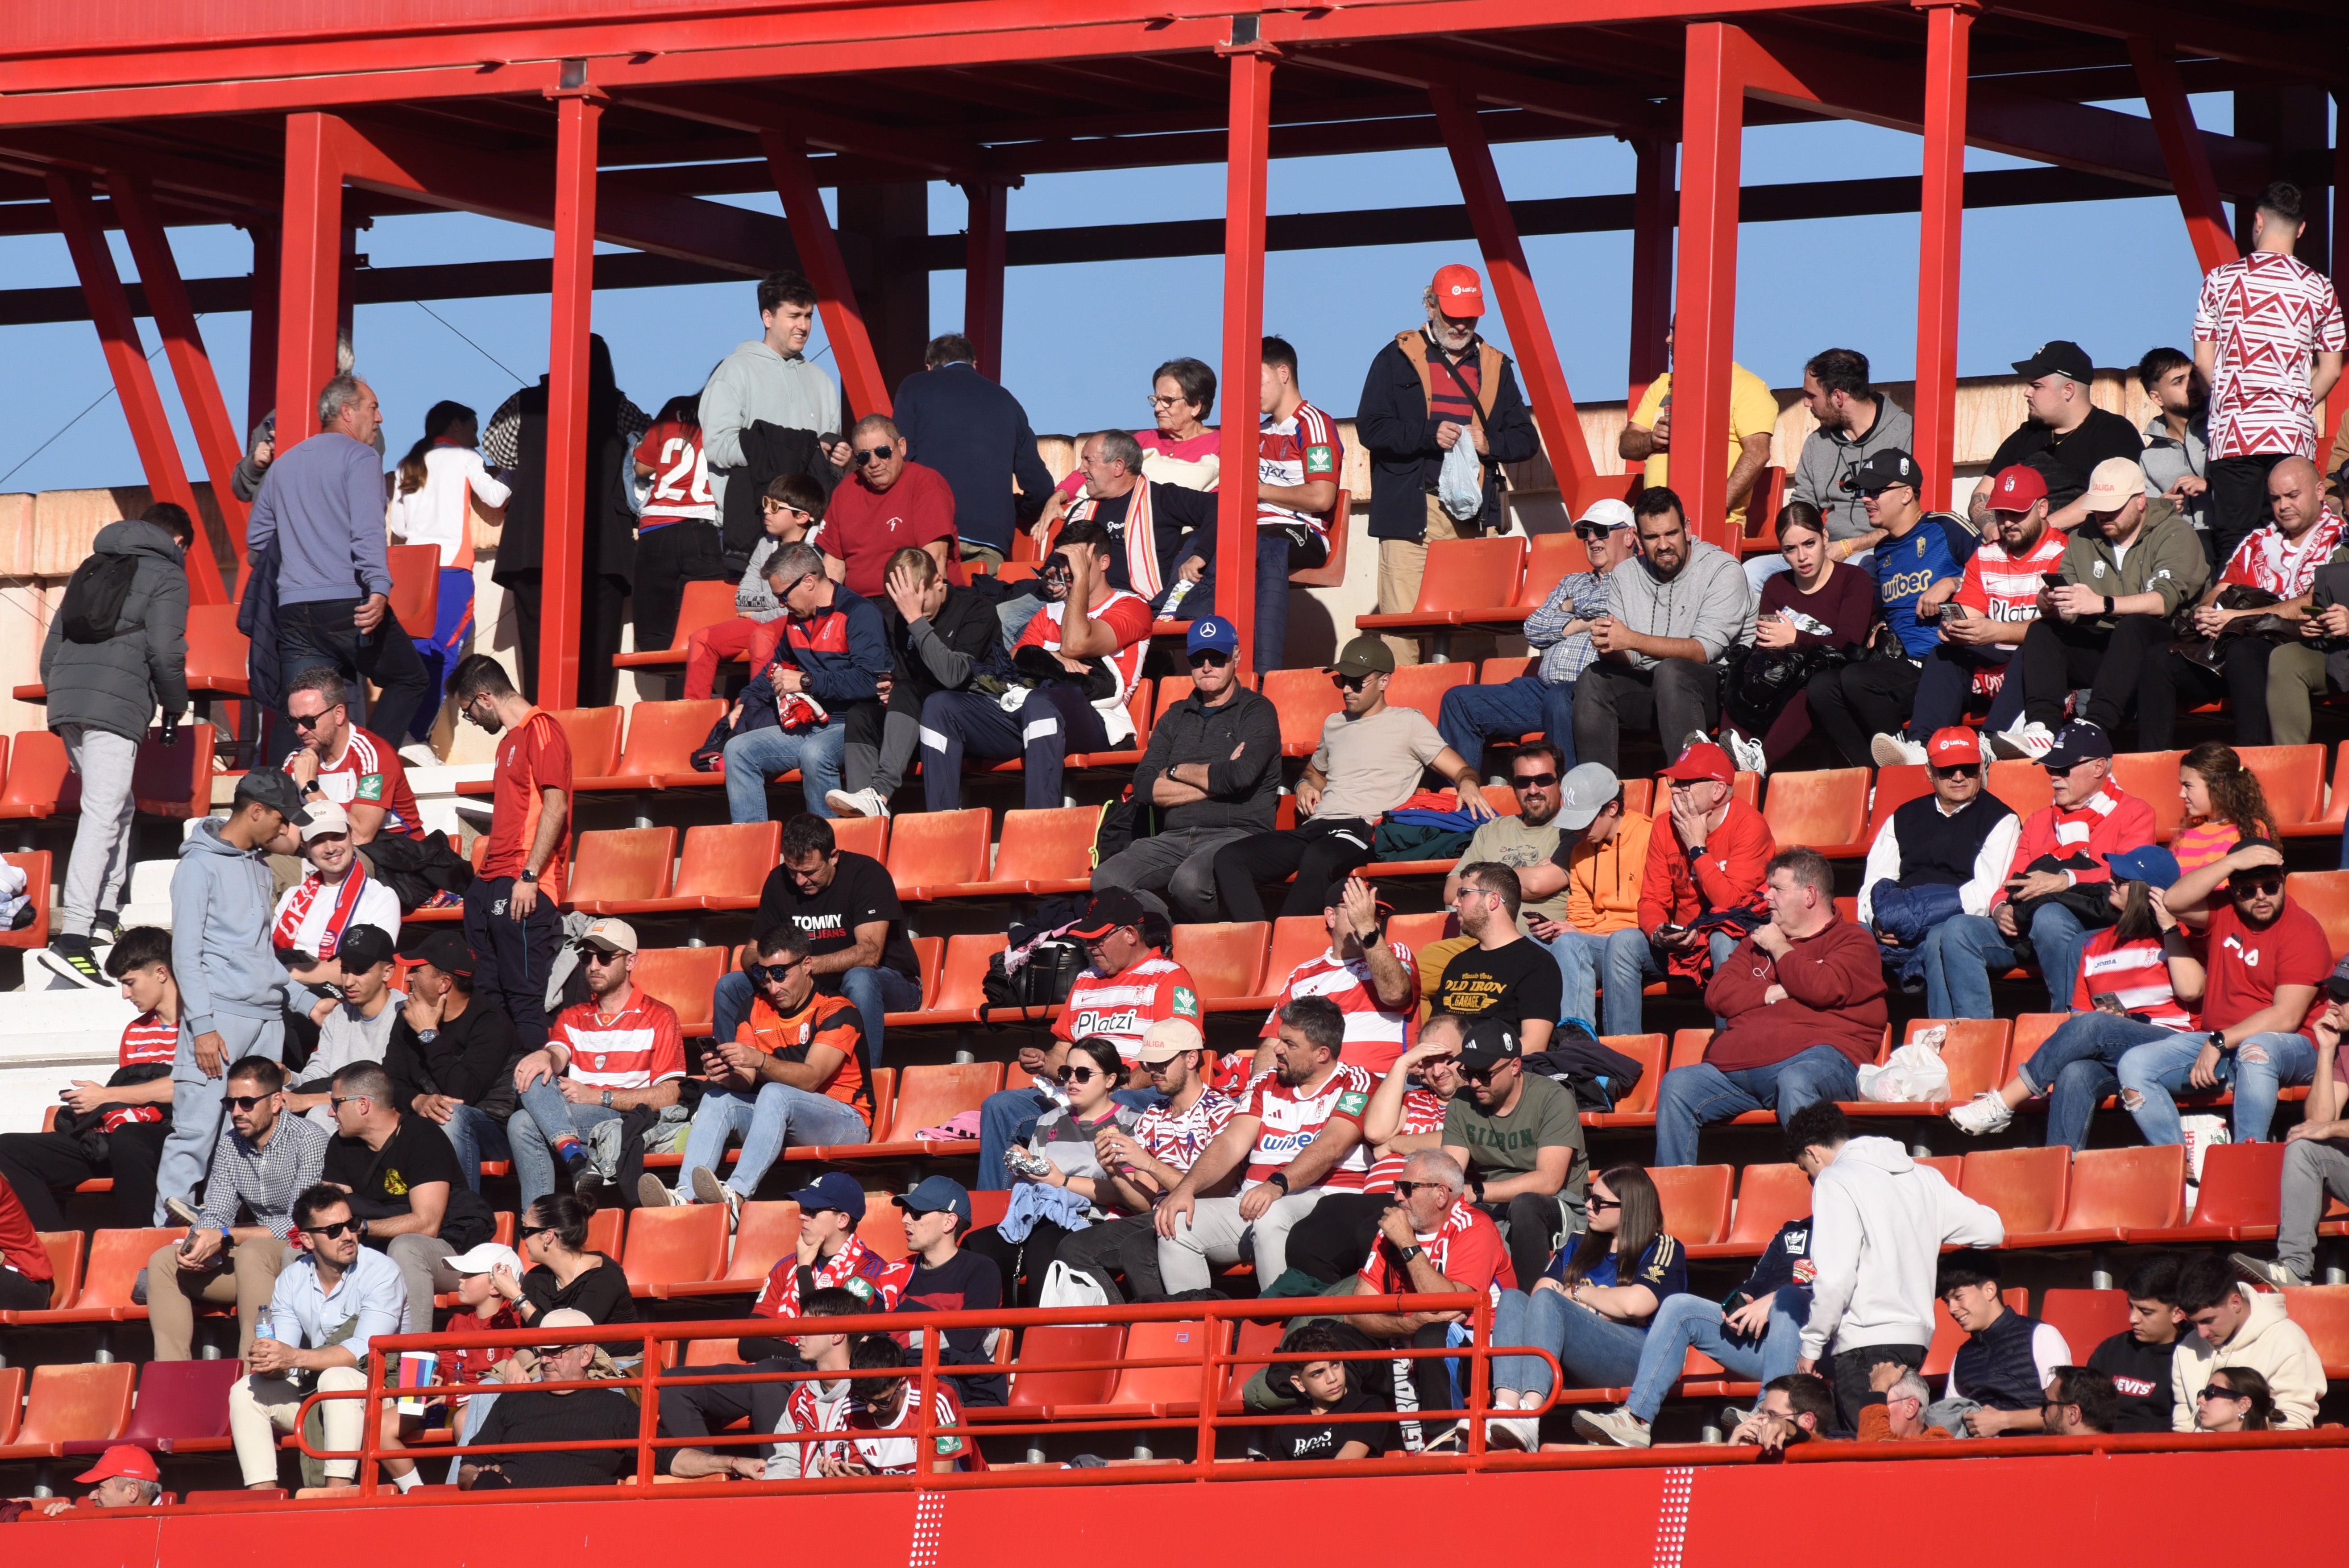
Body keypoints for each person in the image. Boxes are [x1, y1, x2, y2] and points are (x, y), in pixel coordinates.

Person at [1212, 635, 1493, 923]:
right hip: (1316, 827)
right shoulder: (1334, 723)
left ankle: (1285, 942)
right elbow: (1314, 772)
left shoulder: (1409, 722)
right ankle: (1257, 938)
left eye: (1356, 682)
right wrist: (1304, 784)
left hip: (1362, 828)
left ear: (1384, 682)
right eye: (1341, 680)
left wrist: (1469, 783)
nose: (1346, 689)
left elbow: (1461, 769)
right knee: (1228, 858)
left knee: (1320, 858)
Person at [1947, 847, 2199, 1147]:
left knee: (2095, 1027)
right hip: (2119, 1051)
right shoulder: (2094, 945)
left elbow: (2192, 990)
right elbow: (2079, 1017)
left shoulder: (2183, 935)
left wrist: (2169, 926)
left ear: (2148, 892)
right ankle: (2062, 1169)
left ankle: (2004, 1103)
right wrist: (2108, 1020)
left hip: (2179, 1048)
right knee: (2074, 1071)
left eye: (2121, 880)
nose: (2110, 882)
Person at [1356, 264, 1541, 664]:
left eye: (1469, 317)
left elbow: (1527, 440)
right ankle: (1402, 720)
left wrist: (1488, 443)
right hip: (1411, 511)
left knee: (1472, 632)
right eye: (1452, 316)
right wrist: (1428, 435)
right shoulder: (1395, 358)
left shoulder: (1496, 365)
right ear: (1430, 306)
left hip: (1473, 515)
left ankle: (1465, 719)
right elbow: (1370, 429)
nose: (1461, 326)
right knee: (1399, 631)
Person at [39, 499, 192, 980]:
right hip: (116, 702)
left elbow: (52, 646)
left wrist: (64, 695)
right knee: (103, 812)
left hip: (68, 700)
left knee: (118, 805)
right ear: (179, 541)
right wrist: (174, 704)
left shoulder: (93, 564)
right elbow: (167, 650)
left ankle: (104, 916)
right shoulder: (168, 574)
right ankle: (75, 934)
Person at [1654, 848, 1884, 1166]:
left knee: (1796, 1080)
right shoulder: (1755, 941)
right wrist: (1776, 992)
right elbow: (1718, 996)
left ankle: (1822, 1198)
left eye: (1777, 888)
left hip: (1820, 1062)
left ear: (1810, 895)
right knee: (1678, 1085)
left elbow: (1821, 987)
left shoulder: (1853, 941)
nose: (1767, 896)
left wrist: (1780, 947)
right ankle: (1670, 1204)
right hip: (1737, 1069)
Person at [1915, 721, 2155, 1019]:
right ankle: (1974, 1036)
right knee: (1956, 929)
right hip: (2028, 925)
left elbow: (2131, 878)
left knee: (2050, 917)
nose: (2054, 777)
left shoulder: (2135, 813)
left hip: (2096, 923)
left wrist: (2065, 880)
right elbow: (2010, 881)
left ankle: (2066, 1025)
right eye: (2049, 769)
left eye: (2063, 769)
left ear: (2099, 768)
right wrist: (2001, 907)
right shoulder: (2040, 820)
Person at [1789, 1100, 2005, 1428]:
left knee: (1869, 1463)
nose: (1810, 1178)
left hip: (1864, 1344)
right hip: (1915, 1345)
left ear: (1813, 1153)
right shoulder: (1926, 1178)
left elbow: (1835, 1279)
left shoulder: (1835, 1180)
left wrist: (1812, 1345)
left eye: (1806, 1169)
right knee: (1899, 1457)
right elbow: (1992, 1229)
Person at [247, 373, 433, 742]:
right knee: (411, 678)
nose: (379, 419)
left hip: (294, 611)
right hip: (349, 605)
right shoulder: (360, 457)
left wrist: (301, 558)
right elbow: (367, 532)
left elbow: (257, 541)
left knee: (302, 709)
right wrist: (379, 588)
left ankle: (284, 794)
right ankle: (372, 771)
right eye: (373, 408)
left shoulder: (284, 465)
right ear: (347, 412)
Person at [923, 519, 1154, 812]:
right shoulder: (1049, 613)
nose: (1067, 570)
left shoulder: (1132, 606)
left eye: (1076, 560)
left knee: (1042, 701)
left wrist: (1079, 585)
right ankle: (942, 823)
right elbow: (1019, 659)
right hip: (1028, 711)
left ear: (1104, 562)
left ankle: (1038, 822)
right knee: (940, 706)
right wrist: (1052, 659)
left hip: (1099, 720)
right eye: (1063, 560)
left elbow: (1075, 645)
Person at [973, 889, 1199, 1187]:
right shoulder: (1085, 980)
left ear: (1130, 934)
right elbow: (1060, 1055)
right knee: (1000, 1106)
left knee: (1118, 1100)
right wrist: (1044, 1063)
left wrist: (1106, 1090)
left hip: (1139, 1092)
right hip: (1084, 1091)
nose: (1091, 947)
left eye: (1099, 938)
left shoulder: (1169, 976)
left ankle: (1102, 1199)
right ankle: (996, 1213)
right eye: (1086, 940)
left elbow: (1176, 1059)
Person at [641, 926, 871, 1218]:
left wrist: (760, 1060)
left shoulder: (837, 1010)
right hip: (783, 1118)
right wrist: (724, 1075)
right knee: (716, 1099)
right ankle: (685, 1197)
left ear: (807, 965)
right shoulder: (755, 1007)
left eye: (780, 973)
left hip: (847, 1121)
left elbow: (812, 1078)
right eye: (765, 974)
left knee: (775, 1093)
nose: (772, 986)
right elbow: (745, 1080)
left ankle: (735, 1197)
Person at [155, 769, 303, 1224]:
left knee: (258, 1130)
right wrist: (202, 1026)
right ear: (255, 810)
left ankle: (253, 1227)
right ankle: (162, 1234)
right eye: (280, 819)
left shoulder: (259, 866)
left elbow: (261, 954)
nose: (285, 830)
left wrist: (300, 998)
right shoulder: (198, 867)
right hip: (218, 1018)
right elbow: (186, 953)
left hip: (265, 1019)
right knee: (197, 1129)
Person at [2113, 840, 2326, 1148]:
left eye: (2270, 886)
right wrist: (2230, 863)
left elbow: (2286, 1016)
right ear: (2233, 889)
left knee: (2256, 1050)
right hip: (2220, 1040)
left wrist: (2220, 1041)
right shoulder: (2226, 910)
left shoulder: (2303, 930)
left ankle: (2246, 1157)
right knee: (2134, 1065)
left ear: (2283, 881)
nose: (2261, 897)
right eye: (2247, 890)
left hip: (2292, 1048)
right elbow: (2172, 901)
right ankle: (2177, 1162)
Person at [1156, 996, 1372, 1293]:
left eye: (1290, 1044)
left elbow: (1330, 1147)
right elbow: (1231, 1142)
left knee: (1270, 1213)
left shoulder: (1357, 1083)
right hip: (1256, 1202)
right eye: (1280, 1039)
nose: (1277, 1050)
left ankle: (1281, 1327)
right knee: (1175, 1221)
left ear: (1322, 1054)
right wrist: (1186, 1189)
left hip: (1323, 1202)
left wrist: (1277, 1185)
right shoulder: (1264, 1083)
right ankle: (1193, 1332)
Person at [482, 336, 647, 703]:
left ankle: (543, 738)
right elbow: (647, 450)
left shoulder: (523, 403)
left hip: (532, 545)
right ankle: (592, 739)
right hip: (604, 549)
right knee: (598, 652)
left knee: (539, 650)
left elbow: (498, 450)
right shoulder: (620, 407)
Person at [1090, 614, 1282, 921]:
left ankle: (1214, 939)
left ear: (1236, 657)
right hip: (1174, 837)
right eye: (1198, 658)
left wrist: (1176, 771)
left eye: (1217, 658)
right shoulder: (1174, 717)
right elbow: (1144, 788)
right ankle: (1167, 932)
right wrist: (1217, 779)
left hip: (1236, 834)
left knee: (1189, 883)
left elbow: (1240, 775)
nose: (1207, 666)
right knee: (1106, 880)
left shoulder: (1257, 711)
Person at [2194, 181, 2346, 564]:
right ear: (2302, 229)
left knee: (2236, 539)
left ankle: (2232, 618)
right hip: (2291, 429)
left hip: (2234, 431)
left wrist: (2230, 399)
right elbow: (2331, 368)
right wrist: (2294, 402)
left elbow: (2202, 362)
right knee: (2291, 533)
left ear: (2258, 222)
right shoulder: (2320, 289)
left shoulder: (2219, 281)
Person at [2137, 455, 2336, 751]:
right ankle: (2151, 766)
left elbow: (2313, 602)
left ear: (2319, 492)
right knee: (2159, 659)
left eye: (2293, 495)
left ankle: (2251, 756)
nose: (2283, 506)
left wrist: (2238, 618)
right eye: (2276, 498)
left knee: (2246, 652)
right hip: (2233, 645)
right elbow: (2220, 590)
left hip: (2296, 647)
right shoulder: (2258, 540)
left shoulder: (2338, 538)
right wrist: (2211, 613)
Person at [1574, 1204, 1812, 1448]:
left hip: (1813, 1351)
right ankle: (1636, 1419)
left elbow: (1841, 1290)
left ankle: (1764, 1415)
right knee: (1679, 1306)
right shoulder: (1792, 1231)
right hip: (1766, 1347)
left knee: (1790, 1299)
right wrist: (1742, 1303)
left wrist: (1775, 1300)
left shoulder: (1847, 1231)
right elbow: (1755, 1282)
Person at [1166, 337, 1341, 666]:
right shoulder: (1257, 432)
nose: (1251, 391)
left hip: (1298, 530)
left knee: (1256, 547)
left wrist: (1256, 490)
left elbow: (1321, 497)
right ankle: (1176, 630)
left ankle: (1261, 664)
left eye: (1257, 380)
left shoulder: (1314, 425)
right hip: (1254, 528)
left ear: (1283, 374)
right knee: (1188, 543)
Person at [1871, 465, 2063, 764]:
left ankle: (1987, 743)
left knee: (2037, 645)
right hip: (1993, 661)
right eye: (2000, 514)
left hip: (2039, 665)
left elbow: (2060, 629)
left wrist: (1995, 630)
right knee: (1946, 652)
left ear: (2042, 508)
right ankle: (1921, 747)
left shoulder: (2063, 552)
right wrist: (1956, 631)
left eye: (2017, 513)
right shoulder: (1986, 554)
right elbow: (1970, 615)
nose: (2008, 522)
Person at [144, 1055, 326, 1360]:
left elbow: (300, 1225)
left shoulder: (309, 1139)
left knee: (253, 1253)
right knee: (164, 1261)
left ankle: (251, 1377)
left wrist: (227, 1236)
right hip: (254, 1261)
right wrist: (199, 1245)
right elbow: (216, 1211)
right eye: (230, 1104)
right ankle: (173, 1381)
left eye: (247, 1102)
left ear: (277, 1101)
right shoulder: (231, 1144)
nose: (237, 1112)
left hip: (302, 1258)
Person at [1439, 500, 1636, 777]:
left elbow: (1615, 605)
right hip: (1544, 689)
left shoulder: (1641, 578)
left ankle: (1569, 802)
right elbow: (1534, 627)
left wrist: (1568, 605)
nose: (1592, 538)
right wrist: (1580, 623)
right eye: (1585, 532)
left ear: (1629, 536)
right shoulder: (1572, 581)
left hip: (1599, 689)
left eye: (1601, 530)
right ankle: (1459, 803)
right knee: (1458, 700)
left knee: (1559, 698)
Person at [228, 1184, 406, 1491]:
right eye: (334, 1230)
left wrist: (294, 1357)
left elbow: (364, 1350)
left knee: (336, 1378)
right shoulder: (293, 1278)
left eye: (351, 1224)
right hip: (322, 1384)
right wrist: (272, 1362)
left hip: (384, 1388)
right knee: (245, 1390)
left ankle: (336, 1496)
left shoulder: (382, 1271)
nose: (348, 1235)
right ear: (307, 1240)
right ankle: (262, 1503)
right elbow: (286, 1349)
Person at [1488, 1165, 1681, 1445]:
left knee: (1549, 1303)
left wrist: (1579, 1293)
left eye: (1600, 1202)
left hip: (1637, 1359)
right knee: (1513, 1298)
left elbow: (1636, 1304)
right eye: (1590, 1194)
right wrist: (1599, 1308)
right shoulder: (1578, 1242)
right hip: (1579, 1354)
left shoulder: (1661, 1247)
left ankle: (1531, 1414)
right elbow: (1541, 1292)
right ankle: (1504, 1410)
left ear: (1628, 1208)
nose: (1589, 1205)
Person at [1802, 448, 1970, 768]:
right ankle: (1871, 776)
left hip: (1942, 663)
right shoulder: (1882, 550)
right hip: (1897, 663)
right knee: (1821, 687)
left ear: (1907, 493)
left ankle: (1903, 769)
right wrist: (1879, 625)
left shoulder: (1945, 527)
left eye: (1877, 491)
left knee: (1858, 679)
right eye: (1864, 492)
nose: (1866, 499)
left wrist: (1954, 583)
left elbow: (1995, 571)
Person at [0, 926, 176, 1229]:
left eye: (130, 983)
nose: (125, 995)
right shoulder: (135, 1031)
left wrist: (107, 1096)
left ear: (161, 973)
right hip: (121, 1138)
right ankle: (58, 1251)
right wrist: (95, 1108)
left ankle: (138, 1247)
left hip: (171, 1138)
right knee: (8, 1150)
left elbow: (191, 1087)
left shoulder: (201, 1026)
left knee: (130, 1139)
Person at [1050, 1019, 1236, 1305]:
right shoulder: (1153, 1114)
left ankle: (1160, 1329)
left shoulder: (1222, 1111)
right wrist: (1113, 1171)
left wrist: (1149, 1164)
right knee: (1073, 1248)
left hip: (1204, 1216)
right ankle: (1124, 1329)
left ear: (1191, 1059)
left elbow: (1217, 1192)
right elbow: (1144, 1203)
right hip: (1157, 1216)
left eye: (1160, 1064)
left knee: (1138, 1247)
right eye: (1148, 1065)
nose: (1152, 1073)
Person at [1573, 489, 1755, 773]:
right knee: (1593, 678)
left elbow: (1704, 651)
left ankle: (1692, 786)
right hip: (1657, 688)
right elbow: (1631, 658)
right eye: (1652, 537)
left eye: (1671, 533)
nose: (1664, 545)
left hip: (1719, 689)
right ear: (1637, 538)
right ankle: (1598, 798)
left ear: (1688, 529)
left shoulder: (1723, 569)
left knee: (1672, 672)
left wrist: (1631, 639)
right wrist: (1610, 647)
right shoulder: (1625, 575)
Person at [506, 918, 686, 1207]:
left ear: (631, 962)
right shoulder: (573, 1015)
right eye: (587, 957)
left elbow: (670, 1095)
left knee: (522, 1123)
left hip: (623, 1120)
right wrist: (544, 1056)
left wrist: (599, 1097)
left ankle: (538, 1224)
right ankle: (576, 1160)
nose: (593, 965)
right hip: (572, 1117)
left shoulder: (660, 1016)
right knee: (533, 1071)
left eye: (604, 957)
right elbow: (556, 1056)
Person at [1345, 1147, 1515, 1450]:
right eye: (1397, 1188)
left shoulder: (1475, 1227)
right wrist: (1409, 1326)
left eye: (1407, 1188)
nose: (1397, 1197)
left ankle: (1444, 1443)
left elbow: (1449, 1306)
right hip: (1405, 1341)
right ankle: (1338, 1450)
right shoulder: (1390, 1234)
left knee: (1434, 1335)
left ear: (1440, 1195)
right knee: (1335, 1338)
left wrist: (1408, 1245)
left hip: (1474, 1355)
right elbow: (1356, 1311)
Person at [718, 813, 921, 1062]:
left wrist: (799, 970)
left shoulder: (867, 875)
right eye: (793, 871)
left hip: (889, 983)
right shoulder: (779, 881)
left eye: (810, 871)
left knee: (860, 979)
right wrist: (771, 973)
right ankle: (732, 1081)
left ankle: (862, 1085)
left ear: (833, 857)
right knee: (730, 986)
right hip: (812, 986)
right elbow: (752, 952)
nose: (801, 881)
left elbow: (869, 953)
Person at [1609, 740, 1775, 1037]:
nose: (1674, 790)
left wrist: (1697, 848)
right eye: (1674, 782)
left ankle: (1732, 1047)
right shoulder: (1664, 827)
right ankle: (1621, 1055)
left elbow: (1732, 904)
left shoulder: (1750, 825)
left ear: (1717, 791)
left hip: (1736, 942)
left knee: (1723, 939)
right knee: (1623, 943)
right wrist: (1659, 931)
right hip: (1685, 943)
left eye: (1686, 783)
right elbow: (1651, 900)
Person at [825, 544, 1000, 821]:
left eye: (919, 603)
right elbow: (910, 683)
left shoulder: (977, 609)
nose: (909, 613)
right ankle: (864, 818)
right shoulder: (905, 619)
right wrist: (891, 690)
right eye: (902, 607)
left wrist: (916, 620)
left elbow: (954, 676)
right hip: (925, 722)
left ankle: (880, 793)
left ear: (938, 582)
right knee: (861, 716)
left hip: (974, 722)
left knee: (914, 694)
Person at [962, 1036, 1140, 1307]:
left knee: (1044, 1245)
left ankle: (1042, 1340)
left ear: (1110, 1079)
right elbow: (1041, 1177)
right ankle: (977, 1342)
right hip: (1045, 1214)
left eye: (1083, 1074)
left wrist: (1062, 1181)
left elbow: (1127, 1193)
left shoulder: (1130, 1123)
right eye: (1066, 1073)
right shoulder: (1049, 1120)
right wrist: (1025, 1164)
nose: (1071, 1081)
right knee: (975, 1247)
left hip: (1098, 1221)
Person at [721, 541, 890, 824]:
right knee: (737, 750)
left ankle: (826, 852)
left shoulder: (859, 614)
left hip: (855, 725)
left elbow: (869, 682)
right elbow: (773, 671)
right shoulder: (795, 620)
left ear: (809, 581)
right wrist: (745, 703)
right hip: (813, 724)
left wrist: (808, 681)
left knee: (815, 754)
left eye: (783, 596)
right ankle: (751, 851)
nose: (780, 604)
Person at [452, 654, 571, 1051]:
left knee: (523, 999)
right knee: (486, 997)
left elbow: (556, 806)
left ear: (484, 698)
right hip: (491, 881)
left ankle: (532, 1098)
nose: (470, 720)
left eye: (467, 711)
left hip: (522, 880)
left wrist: (530, 876)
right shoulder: (509, 742)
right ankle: (500, 1093)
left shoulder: (542, 729)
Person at [322, 1058, 494, 1331]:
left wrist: (362, 1227)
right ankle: (304, 1363)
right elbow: (329, 1212)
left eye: (336, 1104)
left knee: (405, 1247)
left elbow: (428, 1224)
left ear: (363, 1104)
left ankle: (412, 1361)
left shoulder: (422, 1137)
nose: (331, 1114)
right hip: (375, 1249)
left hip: (446, 1251)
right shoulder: (340, 1145)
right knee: (298, 1253)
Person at [1856, 728, 2020, 987]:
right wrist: (1877, 920)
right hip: (1895, 922)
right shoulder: (1903, 816)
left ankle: (1952, 1027)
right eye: (1947, 769)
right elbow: (1875, 881)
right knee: (1853, 940)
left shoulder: (2001, 819)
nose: (1958, 777)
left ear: (1980, 768)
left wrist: (1915, 918)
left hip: (1951, 923)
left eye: (1968, 768)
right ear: (1929, 772)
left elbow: (1984, 896)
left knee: (1941, 939)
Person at [1721, 509, 1877, 774]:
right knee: (1742, 674)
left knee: (1812, 684)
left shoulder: (1853, 579)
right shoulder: (1776, 585)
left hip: (1833, 673)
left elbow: (1850, 643)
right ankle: (1723, 763)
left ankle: (1761, 761)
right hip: (1786, 671)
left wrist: (1797, 637)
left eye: (1809, 544)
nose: (1802, 557)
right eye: (1790, 549)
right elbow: (1766, 645)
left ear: (1825, 537)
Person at [1439, 1016, 1584, 1295]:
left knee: (1526, 1206)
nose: (1475, 1083)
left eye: (1484, 1074)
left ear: (1515, 1065)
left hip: (1557, 1205)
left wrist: (1476, 1192)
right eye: (1469, 1073)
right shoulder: (1461, 1103)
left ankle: (1534, 1304)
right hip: (1492, 1205)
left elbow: (1549, 1182)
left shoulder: (1552, 1099)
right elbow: (1450, 1173)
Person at [386, 400, 504, 731]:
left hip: (413, 574)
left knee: (413, 657)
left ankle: (396, 733)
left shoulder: (407, 463)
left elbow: (399, 527)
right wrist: (512, 471)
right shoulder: (466, 458)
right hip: (451, 569)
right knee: (442, 656)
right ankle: (416, 734)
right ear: (455, 425)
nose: (477, 440)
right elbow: (495, 497)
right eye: (473, 429)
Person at [889, 333, 1054, 568]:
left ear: (930, 367)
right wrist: (1014, 508)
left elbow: (900, 458)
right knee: (982, 604)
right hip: (990, 536)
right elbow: (1041, 488)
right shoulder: (1008, 402)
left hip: (930, 527)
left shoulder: (915, 385)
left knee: (922, 602)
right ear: (975, 365)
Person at [698, 271, 850, 526]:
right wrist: (792, 450)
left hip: (810, 528)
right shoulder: (735, 371)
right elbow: (717, 445)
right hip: (751, 524)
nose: (803, 326)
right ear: (768, 317)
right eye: (794, 316)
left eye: (808, 316)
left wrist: (839, 458)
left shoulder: (823, 382)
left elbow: (821, 457)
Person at [1511, 761, 1648, 1035]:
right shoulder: (1581, 850)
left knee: (1574, 944)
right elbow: (1580, 914)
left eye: (1584, 821)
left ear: (1612, 808)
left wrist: (1578, 936)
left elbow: (1659, 911)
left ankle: (1576, 1042)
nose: (1578, 830)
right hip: (1593, 944)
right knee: (1520, 946)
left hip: (1637, 941)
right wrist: (1567, 929)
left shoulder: (1650, 836)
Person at [2235, 959, 2349, 1291]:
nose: (2331, 1003)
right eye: (2331, 992)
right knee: (2304, 1147)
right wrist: (2326, 1052)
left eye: (2343, 997)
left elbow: (2327, 1128)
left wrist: (2331, 1130)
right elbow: (2318, 1122)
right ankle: (2294, 1269)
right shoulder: (2343, 1045)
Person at [383, 930, 525, 1194]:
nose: (409, 978)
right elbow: (390, 1079)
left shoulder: (491, 1022)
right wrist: (417, 1101)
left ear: (444, 983)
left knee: (453, 1117)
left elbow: (463, 1093)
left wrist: (428, 1035)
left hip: (491, 1129)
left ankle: (465, 1216)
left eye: (417, 970)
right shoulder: (408, 1017)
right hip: (430, 1124)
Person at [1035, 430, 1220, 626]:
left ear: (1118, 467)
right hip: (1071, 600)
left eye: (1089, 461)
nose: (1081, 470)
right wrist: (1051, 582)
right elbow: (1053, 563)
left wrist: (1200, 555)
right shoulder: (1081, 510)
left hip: (1128, 602)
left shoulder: (1161, 498)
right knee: (1007, 614)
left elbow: (1220, 506)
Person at [1768, 347, 1914, 593]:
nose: (1805, 403)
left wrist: (1848, 547)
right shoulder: (1817, 443)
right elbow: (1803, 507)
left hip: (1885, 550)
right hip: (1825, 551)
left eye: (1811, 395)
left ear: (1838, 397)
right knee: (1753, 572)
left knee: (1856, 571)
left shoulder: (1906, 433)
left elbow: (1911, 518)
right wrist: (1804, 547)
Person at [1967, 340, 2146, 536]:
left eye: (2037, 386)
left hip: (2081, 555)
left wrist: (2037, 533)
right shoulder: (2027, 434)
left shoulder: (2114, 432)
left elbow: (2108, 494)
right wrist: (1993, 529)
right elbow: (1983, 493)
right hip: (2019, 554)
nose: (2027, 393)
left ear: (2068, 390)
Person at [1619, 319, 1778, 537]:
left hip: (1708, 525)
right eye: (1670, 330)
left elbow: (1758, 452)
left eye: (1677, 331)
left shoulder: (1747, 387)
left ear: (1704, 336)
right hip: (1649, 524)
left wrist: (1713, 511)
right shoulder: (1662, 385)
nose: (1668, 339)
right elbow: (1626, 445)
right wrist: (1651, 440)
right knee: (1598, 536)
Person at [459, 1308, 640, 1489]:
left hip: (577, 1513)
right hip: (508, 1511)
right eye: (543, 1350)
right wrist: (480, 1478)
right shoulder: (513, 1401)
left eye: (557, 1351)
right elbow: (469, 1465)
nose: (545, 1360)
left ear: (586, 1354)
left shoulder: (617, 1408)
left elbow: (664, 1453)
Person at [683, 472, 825, 702]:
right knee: (702, 638)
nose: (766, 510)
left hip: (801, 625)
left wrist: (756, 614)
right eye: (765, 503)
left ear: (802, 517)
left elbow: (803, 606)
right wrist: (776, 601)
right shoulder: (764, 544)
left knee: (762, 636)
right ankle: (695, 712)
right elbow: (742, 598)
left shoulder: (817, 548)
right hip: (768, 620)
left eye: (775, 506)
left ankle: (758, 707)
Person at [1258, 877, 1418, 1076]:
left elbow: (1395, 994)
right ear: (1331, 917)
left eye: (1376, 913)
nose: (1368, 918)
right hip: (1318, 1090)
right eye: (1356, 909)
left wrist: (1367, 929)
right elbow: (1273, 1044)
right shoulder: (1302, 975)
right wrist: (1257, 1092)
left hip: (1382, 1085)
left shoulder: (1396, 954)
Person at [2169, 1253, 2325, 1431]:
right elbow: (2184, 1426)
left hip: (2262, 1455)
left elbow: (2291, 1427)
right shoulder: (2187, 1346)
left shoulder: (2287, 1340)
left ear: (2235, 1303)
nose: (2201, 1333)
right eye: (2194, 1323)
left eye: (2208, 1321)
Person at [1927, 1249, 2072, 1435]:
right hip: (1978, 1460)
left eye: (1958, 1297)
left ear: (1989, 1290)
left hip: (2036, 1458)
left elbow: (2066, 1414)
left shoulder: (2042, 1336)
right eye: (1947, 1302)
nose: (1952, 1309)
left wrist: (2002, 1421)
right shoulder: (1963, 1355)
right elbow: (1951, 1421)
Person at [817, 413, 960, 598]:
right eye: (864, 457)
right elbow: (834, 566)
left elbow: (935, 560)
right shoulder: (845, 491)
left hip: (912, 600)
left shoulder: (926, 483)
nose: (874, 463)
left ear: (901, 447)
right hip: (859, 608)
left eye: (883, 452)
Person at [626, 394, 726, 658]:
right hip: (706, 525)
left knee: (655, 638)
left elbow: (643, 466)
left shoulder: (676, 407)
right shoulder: (733, 412)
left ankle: (674, 696)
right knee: (710, 635)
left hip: (656, 526)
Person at [889, 1175, 1005, 1403]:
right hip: (900, 1376)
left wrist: (901, 1329)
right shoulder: (896, 1271)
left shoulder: (982, 1270)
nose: (905, 1219)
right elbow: (870, 1335)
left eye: (917, 1213)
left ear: (949, 1222)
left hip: (960, 1384)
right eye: (906, 1210)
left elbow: (962, 1341)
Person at [270, 805, 401, 1003]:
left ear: (351, 835)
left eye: (337, 836)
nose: (331, 848)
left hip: (341, 998)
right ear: (305, 849)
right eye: (318, 841)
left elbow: (359, 971)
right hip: (285, 988)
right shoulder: (292, 897)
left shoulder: (381, 898)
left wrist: (282, 973)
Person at [281, 668, 424, 845]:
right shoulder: (296, 760)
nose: (301, 730)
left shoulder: (374, 755)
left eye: (309, 721)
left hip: (394, 853)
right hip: (328, 854)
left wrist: (309, 787)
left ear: (338, 714)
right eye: (293, 722)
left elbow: (360, 836)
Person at [1434, 863, 1562, 1054]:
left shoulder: (1538, 963)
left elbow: (1534, 1046)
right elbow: (1435, 1033)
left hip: (1494, 1075)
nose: (1455, 902)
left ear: (1493, 900)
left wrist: (1470, 1060)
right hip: (1445, 1070)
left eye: (1464, 893)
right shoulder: (1458, 963)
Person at [286, 927, 406, 1125]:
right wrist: (287, 1077)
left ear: (388, 972)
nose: (349, 982)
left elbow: (386, 1091)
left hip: (382, 1119)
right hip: (339, 1111)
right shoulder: (339, 1015)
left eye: (360, 972)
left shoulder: (403, 1015)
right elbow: (316, 1076)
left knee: (319, 1115)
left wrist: (308, 1100)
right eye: (345, 970)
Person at [490, 1192, 639, 1335]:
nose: (523, 1239)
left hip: (615, 1361)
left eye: (525, 1230)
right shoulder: (536, 1279)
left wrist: (517, 1298)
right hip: (554, 1360)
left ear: (548, 1236)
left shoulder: (605, 1277)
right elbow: (530, 1345)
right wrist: (517, 1360)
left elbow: (568, 1338)